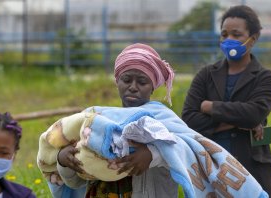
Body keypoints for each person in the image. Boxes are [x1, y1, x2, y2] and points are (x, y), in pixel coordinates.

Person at [53, 43, 178, 198]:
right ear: (117, 82)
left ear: (152, 87)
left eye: (142, 82)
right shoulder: (96, 122)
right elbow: (76, 182)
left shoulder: (164, 120)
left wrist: (151, 155)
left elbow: (185, 152)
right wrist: (64, 160)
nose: (133, 87)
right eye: (126, 80)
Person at [181, 5, 271, 197]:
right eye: (224, 34)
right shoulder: (206, 75)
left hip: (251, 169)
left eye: (236, 34)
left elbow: (254, 114)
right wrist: (238, 122)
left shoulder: (266, 77)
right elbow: (189, 120)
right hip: (210, 167)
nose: (229, 40)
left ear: (254, 38)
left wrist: (209, 106)